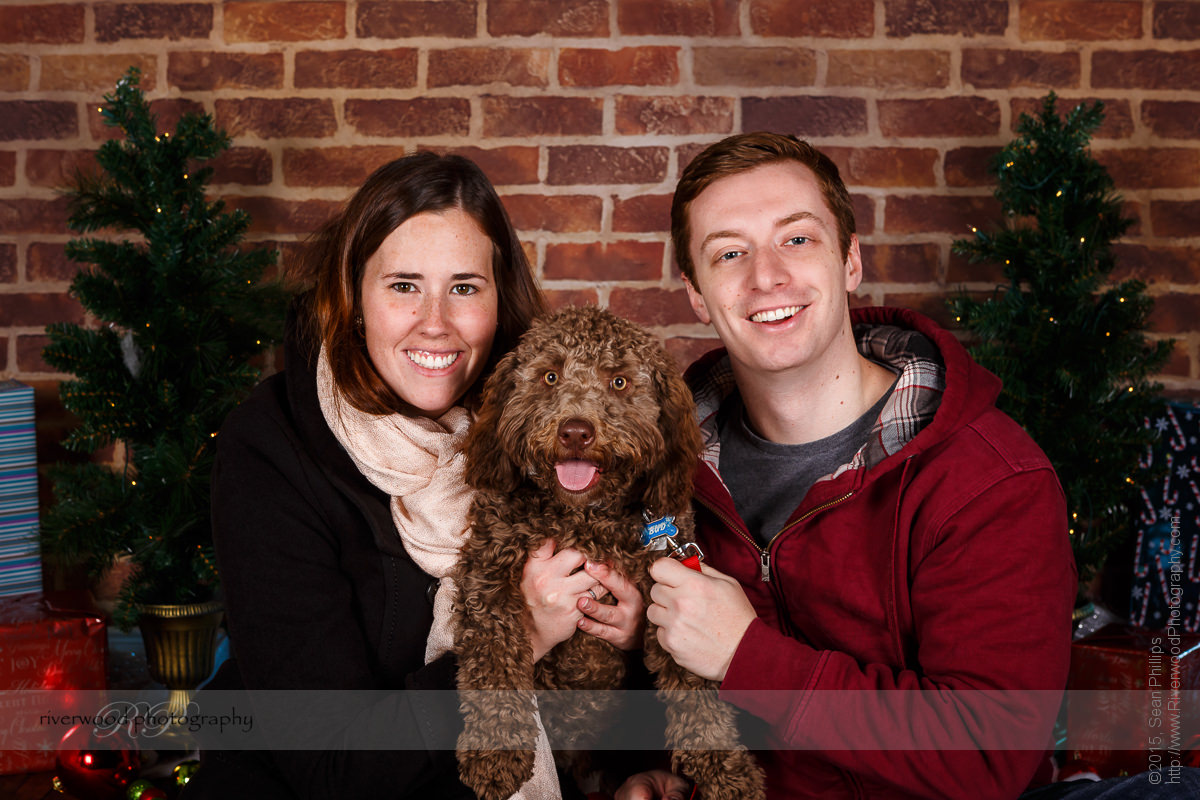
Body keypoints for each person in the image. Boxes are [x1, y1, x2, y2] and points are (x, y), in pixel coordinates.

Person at [616, 132, 1079, 800]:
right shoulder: (662, 470)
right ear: (695, 292)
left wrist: (750, 656)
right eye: (729, 253)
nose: (765, 276)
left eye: (797, 240)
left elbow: (989, 754)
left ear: (850, 261)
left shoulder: (988, 480)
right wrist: (657, 770)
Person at [184, 152, 646, 799]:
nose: (436, 323)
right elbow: (330, 763)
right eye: (404, 285)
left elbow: (587, 668)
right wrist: (516, 636)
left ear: (499, 298)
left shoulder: (549, 433)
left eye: (464, 287)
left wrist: (629, 739)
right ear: (353, 297)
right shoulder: (269, 447)